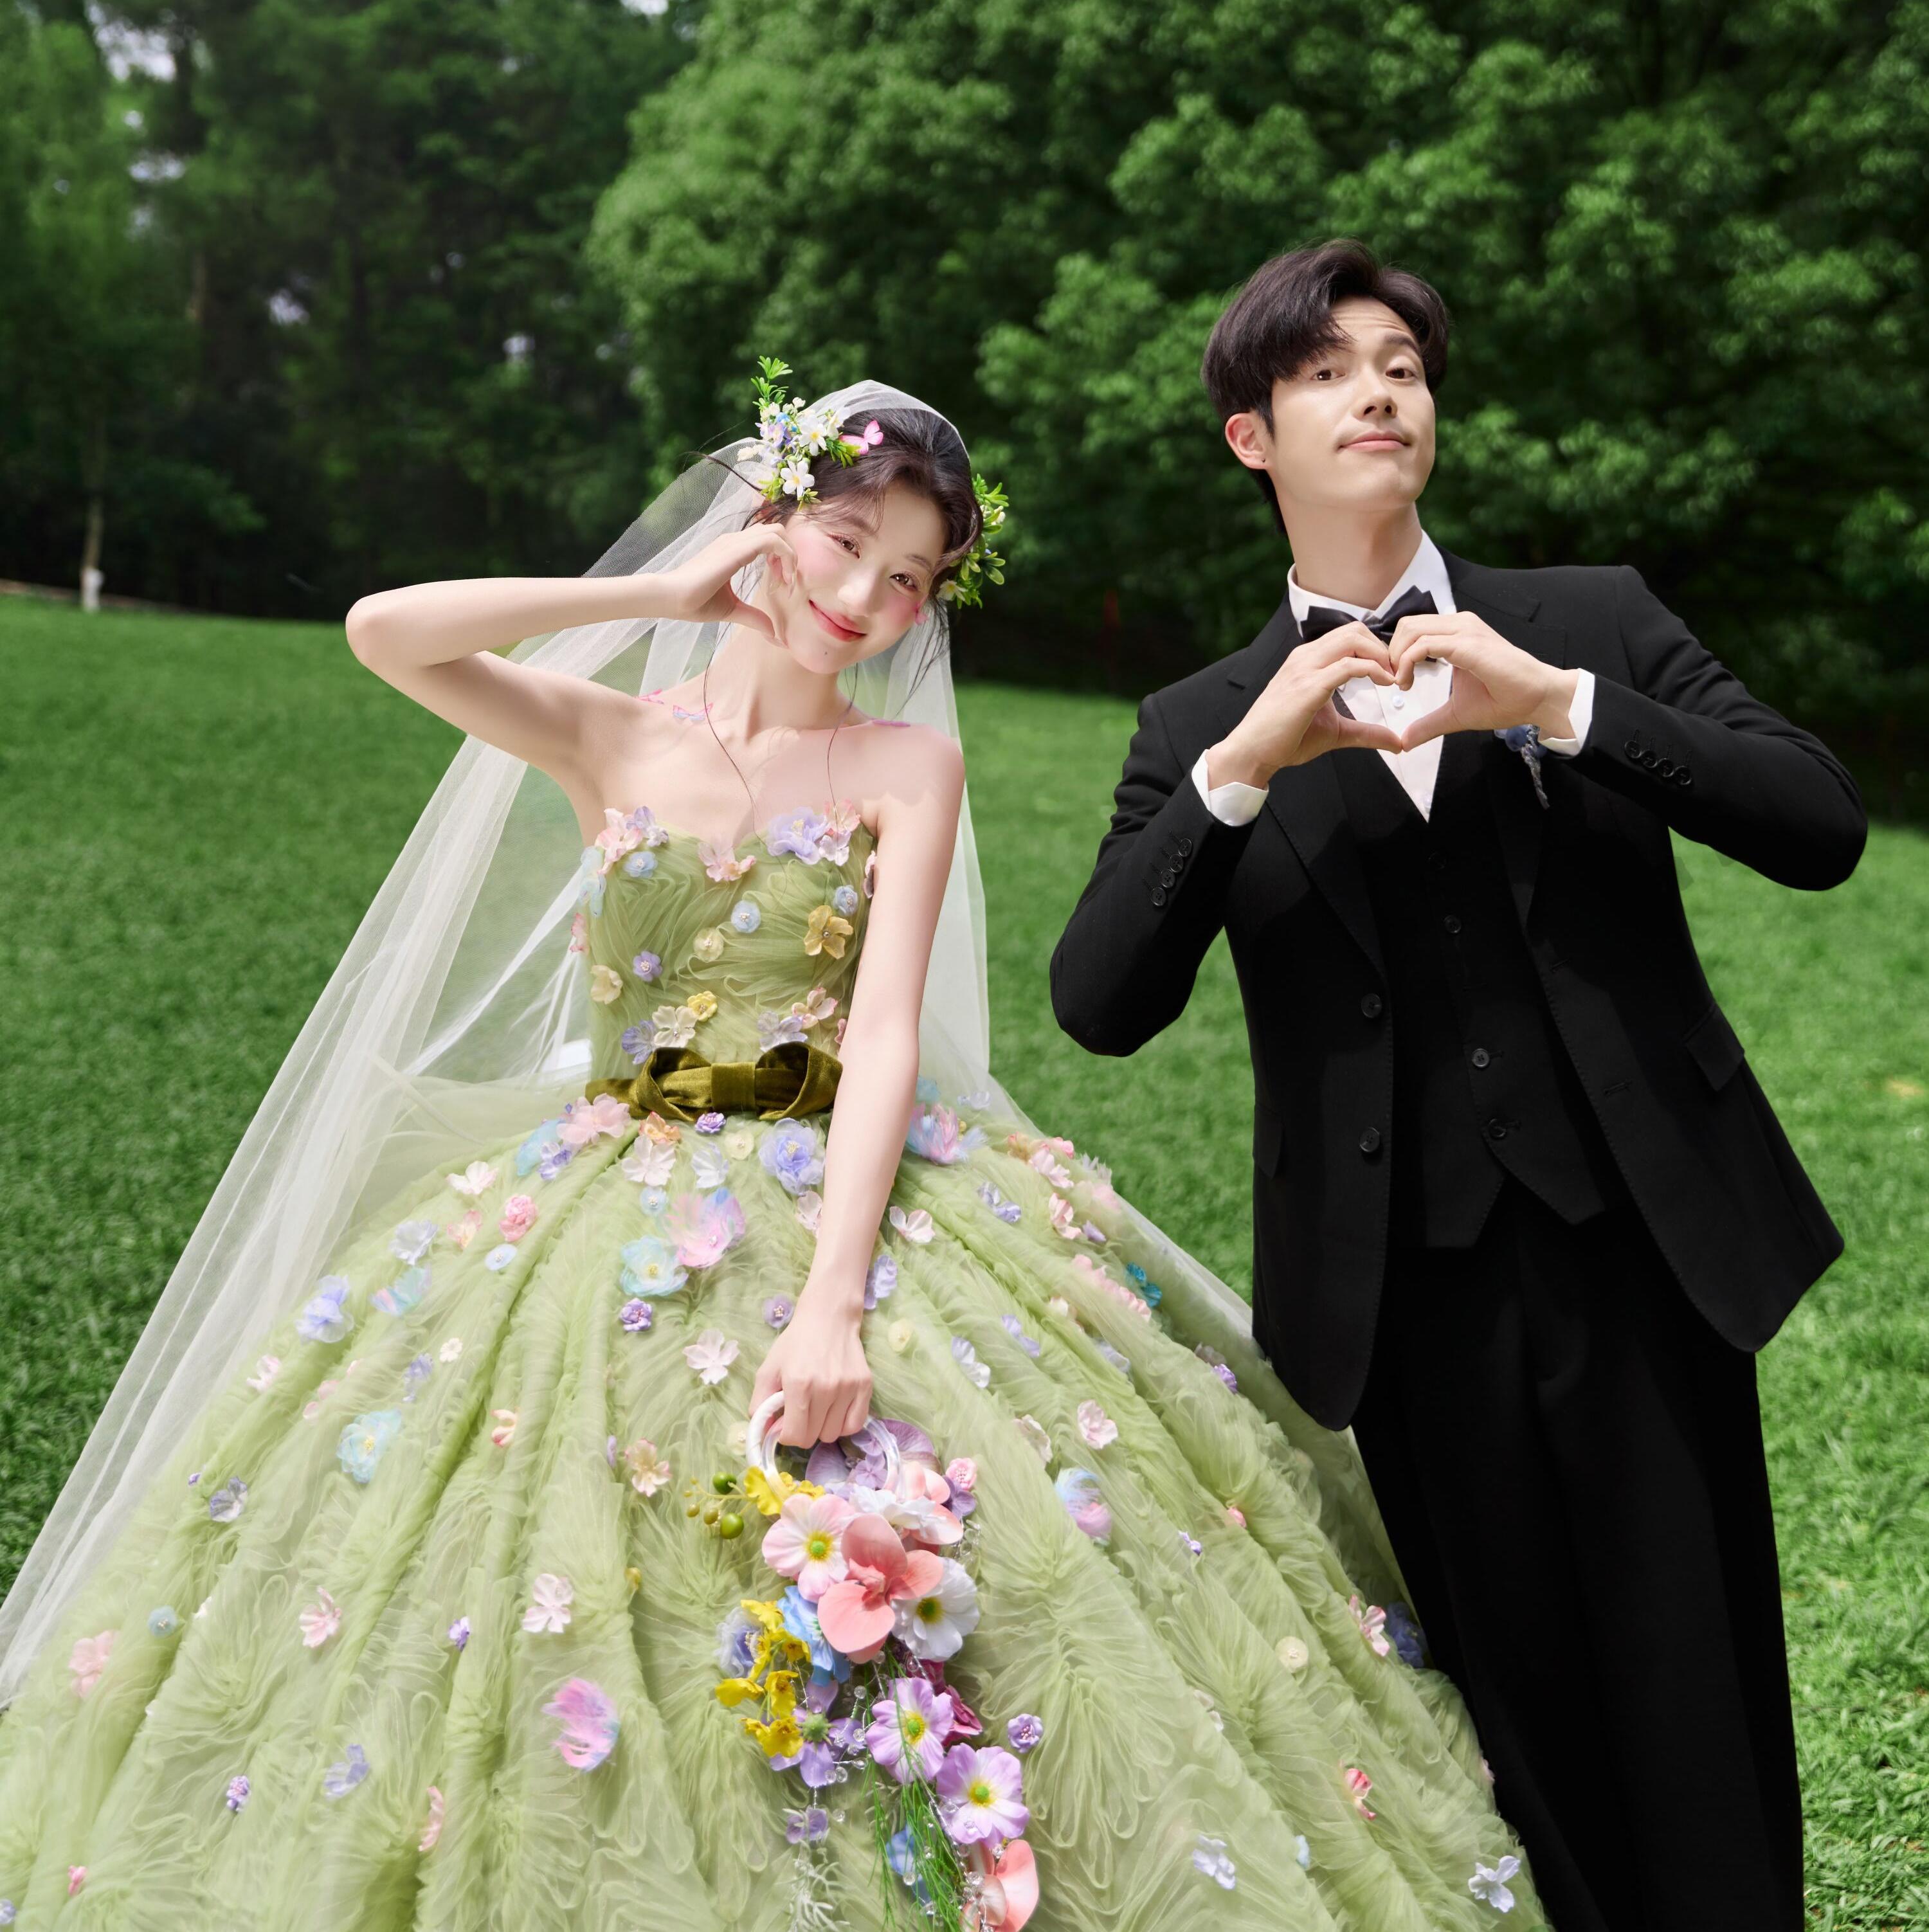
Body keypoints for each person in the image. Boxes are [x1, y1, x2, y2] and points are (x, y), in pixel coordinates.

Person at [0, 373, 1546, 1931]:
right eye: (847, 543)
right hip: (602, 1197)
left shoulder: (904, 769)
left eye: (912, 579)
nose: (868, 599)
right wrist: (652, 593)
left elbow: (884, 1035)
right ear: (771, 521)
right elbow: (385, 630)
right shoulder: (609, 734)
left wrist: (829, 1306)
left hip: (844, 1185)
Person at [1050, 239, 1867, 1932]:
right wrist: (1242, 767)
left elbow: (1818, 820)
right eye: (1328, 371)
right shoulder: (1197, 722)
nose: (1379, 392)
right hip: (1400, 1299)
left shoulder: (1590, 618)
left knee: (1696, 1696)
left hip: (1644, 1249)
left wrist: (1560, 705)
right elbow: (1100, 1003)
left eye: (1403, 366)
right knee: (1512, 1730)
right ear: (1251, 436)